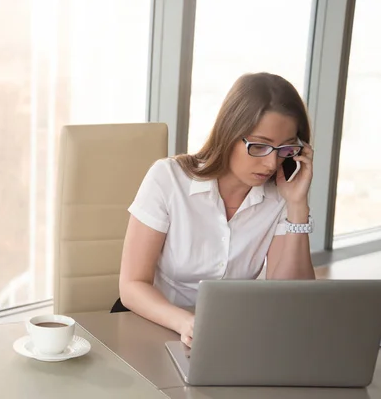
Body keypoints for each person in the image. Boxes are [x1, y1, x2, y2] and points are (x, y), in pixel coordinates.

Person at [114, 72, 315, 347]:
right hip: (157, 326)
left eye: (285, 149)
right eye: (259, 146)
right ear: (229, 133)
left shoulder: (281, 196)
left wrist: (297, 206)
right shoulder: (168, 179)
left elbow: (292, 298)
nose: (271, 164)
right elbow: (132, 285)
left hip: (228, 335)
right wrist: (186, 323)